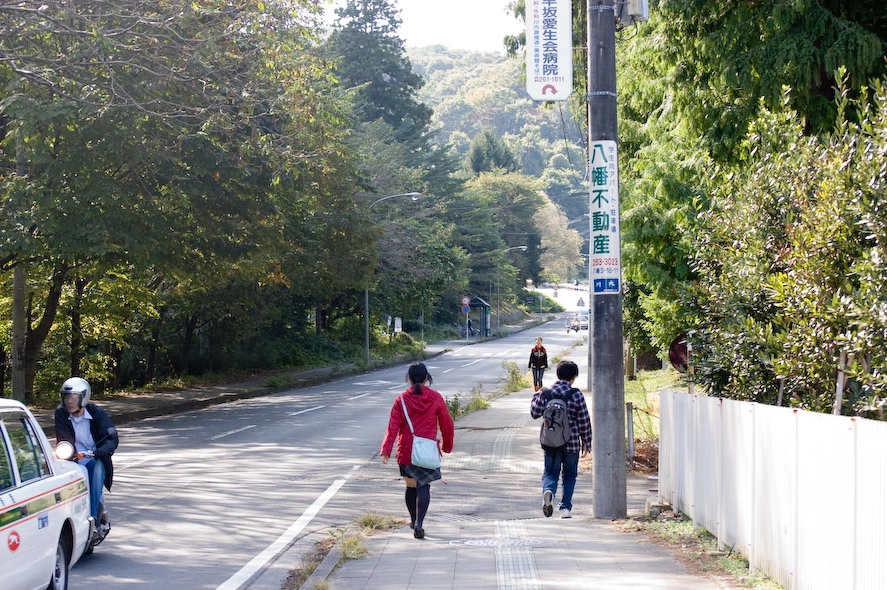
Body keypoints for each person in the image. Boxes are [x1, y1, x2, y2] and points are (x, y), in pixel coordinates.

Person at [381, 362, 455, 539]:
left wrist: (386, 450)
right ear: (426, 377)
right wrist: (447, 446)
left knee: (411, 485)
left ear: (408, 378)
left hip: (406, 449)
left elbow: (393, 427)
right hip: (427, 450)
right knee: (424, 485)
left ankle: (413, 520)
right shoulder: (435, 397)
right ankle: (420, 524)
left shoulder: (401, 399)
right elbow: (447, 423)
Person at [54, 377, 118, 533]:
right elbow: (63, 439)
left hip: (94, 458)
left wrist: (103, 450)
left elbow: (112, 437)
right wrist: (67, 453)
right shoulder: (61, 414)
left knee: (96, 469)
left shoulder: (97, 413)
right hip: (71, 460)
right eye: (67, 397)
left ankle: (93, 519)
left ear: (84, 397)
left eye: (74, 397)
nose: (69, 401)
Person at [530, 360, 592, 518]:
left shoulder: (545, 392)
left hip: (550, 442)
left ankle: (548, 491)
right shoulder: (576, 395)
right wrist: (587, 442)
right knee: (569, 475)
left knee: (550, 472)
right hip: (571, 444)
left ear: (557, 374)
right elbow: (584, 420)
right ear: (573, 377)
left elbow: (534, 412)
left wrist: (536, 395)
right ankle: (565, 508)